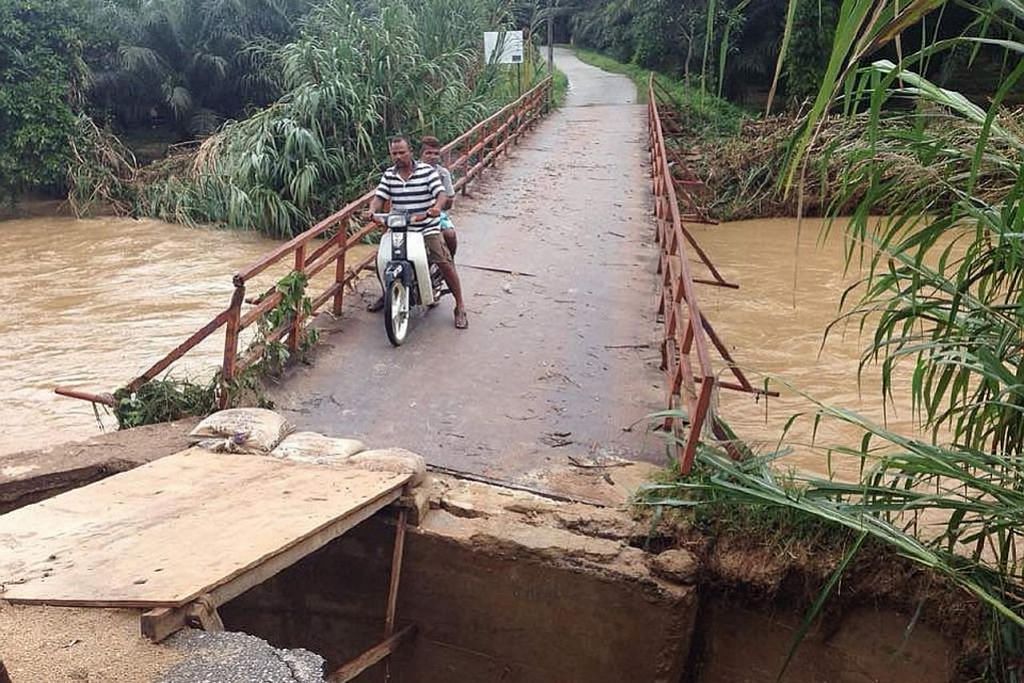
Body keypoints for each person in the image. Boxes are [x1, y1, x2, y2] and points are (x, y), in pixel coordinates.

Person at [365, 135, 468, 330]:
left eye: (402, 152)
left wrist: (436, 207)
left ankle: (460, 306)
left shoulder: (426, 171)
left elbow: (441, 193)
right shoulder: (389, 174)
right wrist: (372, 210)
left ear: (410, 152)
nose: (398, 157)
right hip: (399, 226)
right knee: (382, 260)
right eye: (394, 153)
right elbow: (380, 196)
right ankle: (387, 293)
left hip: (426, 225)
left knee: (443, 261)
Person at [419, 136, 458, 258]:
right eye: (428, 153)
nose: (432, 156)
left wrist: (437, 206)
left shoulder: (442, 173)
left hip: (435, 212)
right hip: (412, 211)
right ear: (421, 154)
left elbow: (449, 199)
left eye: (436, 154)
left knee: (449, 234)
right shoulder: (412, 170)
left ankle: (449, 260)